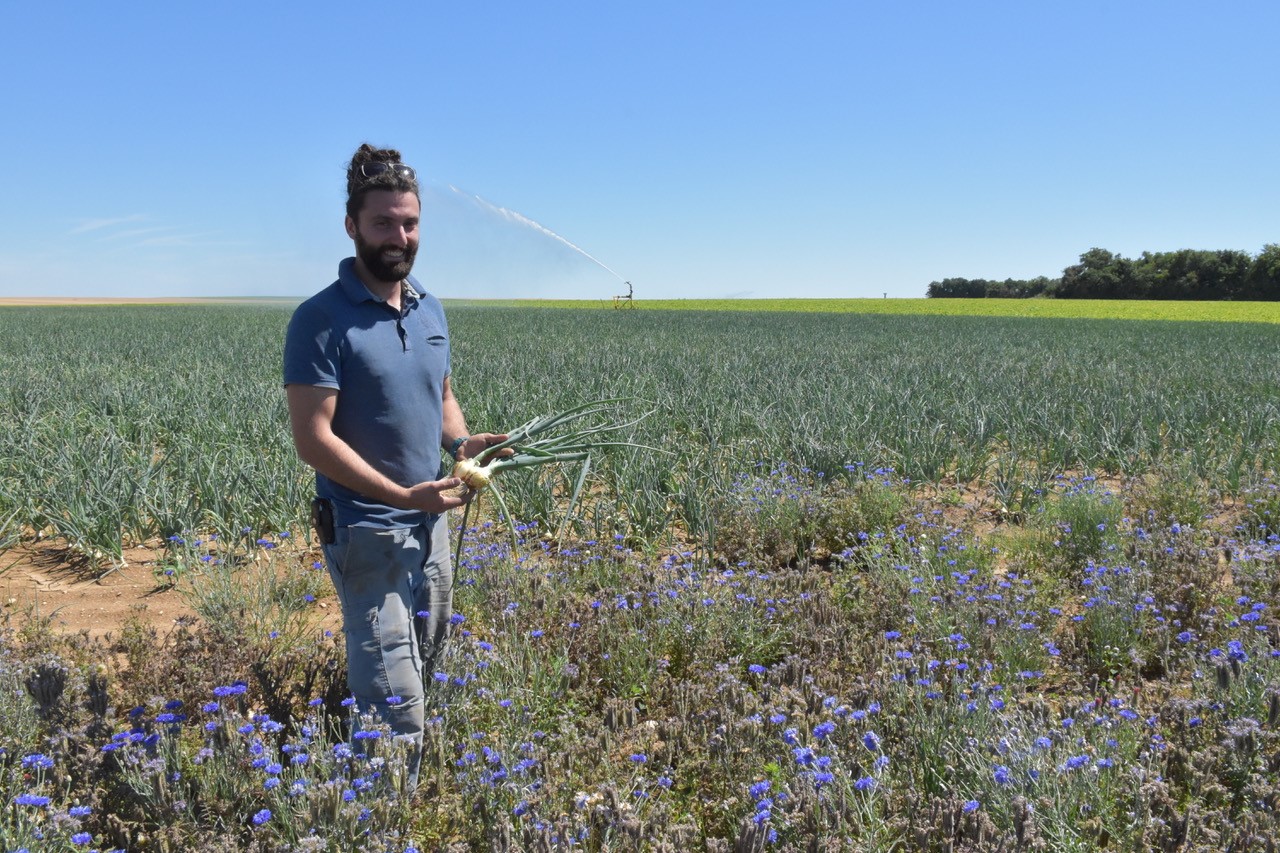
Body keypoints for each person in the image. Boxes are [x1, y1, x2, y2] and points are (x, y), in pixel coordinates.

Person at [283, 143, 506, 786]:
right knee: (392, 692)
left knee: (428, 658)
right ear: (351, 225)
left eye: (409, 223)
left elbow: (441, 396)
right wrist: (403, 496)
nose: (399, 237)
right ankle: (381, 812)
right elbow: (313, 439)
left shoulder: (428, 307)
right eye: (382, 223)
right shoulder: (320, 320)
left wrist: (463, 446)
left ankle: (405, 794)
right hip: (366, 530)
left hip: (430, 524)